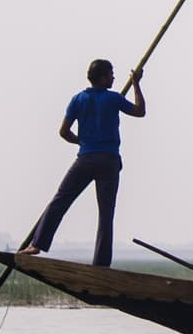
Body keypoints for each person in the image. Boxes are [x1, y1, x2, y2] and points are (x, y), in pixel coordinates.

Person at [22, 59, 145, 267]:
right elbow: (140, 111)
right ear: (102, 77)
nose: (114, 77)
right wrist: (136, 84)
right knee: (106, 214)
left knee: (60, 200)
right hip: (109, 161)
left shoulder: (78, 99)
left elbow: (63, 132)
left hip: (86, 158)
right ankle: (101, 263)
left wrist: (82, 140)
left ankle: (37, 244)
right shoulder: (113, 99)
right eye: (110, 74)